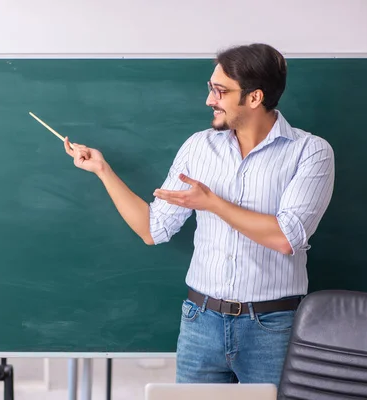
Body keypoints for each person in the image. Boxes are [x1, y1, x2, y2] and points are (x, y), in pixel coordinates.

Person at [63, 43, 335, 388]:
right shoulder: (198, 147)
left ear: (254, 98)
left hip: (271, 325)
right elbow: (153, 228)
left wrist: (212, 203)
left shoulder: (310, 152)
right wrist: (103, 170)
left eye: (220, 91)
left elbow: (285, 238)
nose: (210, 100)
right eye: (211, 88)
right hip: (200, 321)